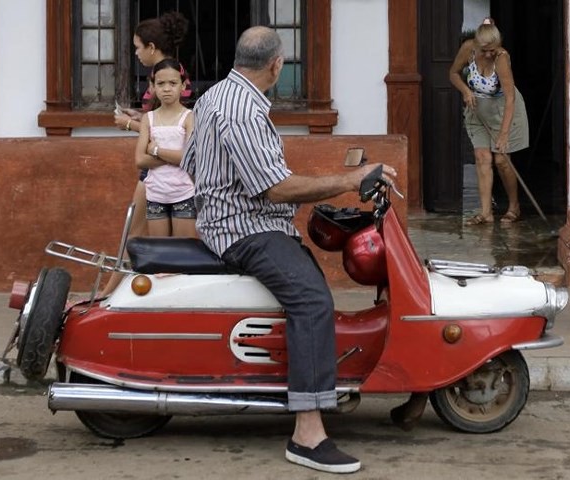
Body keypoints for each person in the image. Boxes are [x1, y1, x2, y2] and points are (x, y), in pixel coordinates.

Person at [181, 26, 397, 474]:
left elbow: (191, 163)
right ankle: (308, 432)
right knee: (313, 300)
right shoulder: (241, 110)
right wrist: (349, 180)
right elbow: (276, 189)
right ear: (277, 65)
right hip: (243, 229)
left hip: (238, 220)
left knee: (310, 287)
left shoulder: (214, 96)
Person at [101, 11, 191, 296]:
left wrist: (130, 124)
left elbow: (172, 128)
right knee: (140, 234)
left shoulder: (171, 77)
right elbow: (157, 122)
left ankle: (109, 292)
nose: (136, 53)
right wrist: (140, 117)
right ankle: (113, 290)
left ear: (152, 48)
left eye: (138, 47)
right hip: (157, 168)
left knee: (137, 235)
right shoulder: (163, 79)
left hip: (163, 172)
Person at [449, 17, 529, 226]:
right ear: (476, 44)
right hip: (477, 110)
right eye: (484, 50)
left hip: (504, 110)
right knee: (482, 157)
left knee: (501, 160)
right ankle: (486, 213)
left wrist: (503, 135)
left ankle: (514, 207)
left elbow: (510, 97)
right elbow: (453, 74)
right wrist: (466, 90)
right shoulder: (469, 49)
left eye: (492, 49)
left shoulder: (502, 58)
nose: (488, 54)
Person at [134, 58, 196, 237]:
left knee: (185, 253)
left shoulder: (189, 117)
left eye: (173, 83)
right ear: (152, 87)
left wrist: (155, 151)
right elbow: (140, 160)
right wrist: (174, 157)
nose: (167, 88)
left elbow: (188, 158)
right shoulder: (148, 118)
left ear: (183, 86)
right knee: (160, 255)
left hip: (183, 193)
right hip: (155, 195)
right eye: (161, 83)